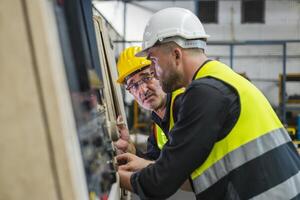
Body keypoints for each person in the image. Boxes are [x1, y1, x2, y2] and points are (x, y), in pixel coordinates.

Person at [116, 7, 300, 200]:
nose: (153, 69)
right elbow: (186, 173)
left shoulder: (204, 93)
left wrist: (111, 175)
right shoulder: (220, 78)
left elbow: (160, 183)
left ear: (176, 55)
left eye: (153, 60)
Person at [114, 46, 184, 167]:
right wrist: (130, 148)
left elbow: (178, 171)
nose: (143, 90)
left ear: (158, 73)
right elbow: (154, 162)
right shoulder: (157, 123)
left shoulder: (183, 106)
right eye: (133, 85)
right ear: (130, 92)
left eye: (146, 78)